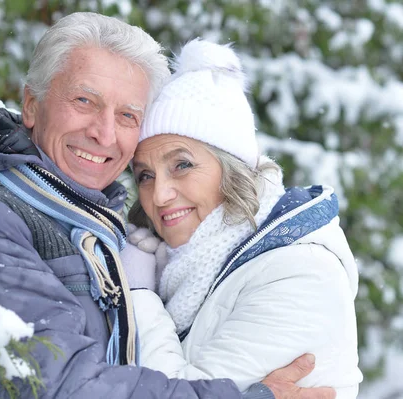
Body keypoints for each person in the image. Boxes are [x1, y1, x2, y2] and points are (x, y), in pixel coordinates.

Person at [0, 12, 335, 399]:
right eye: (84, 101)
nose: (104, 134)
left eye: (128, 116)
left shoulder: (101, 231)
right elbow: (62, 384)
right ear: (32, 105)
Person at [126, 39, 363, 397]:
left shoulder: (298, 272)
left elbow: (172, 391)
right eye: (145, 175)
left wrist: (139, 294)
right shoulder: (188, 267)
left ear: (233, 170)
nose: (158, 195)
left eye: (182, 165)